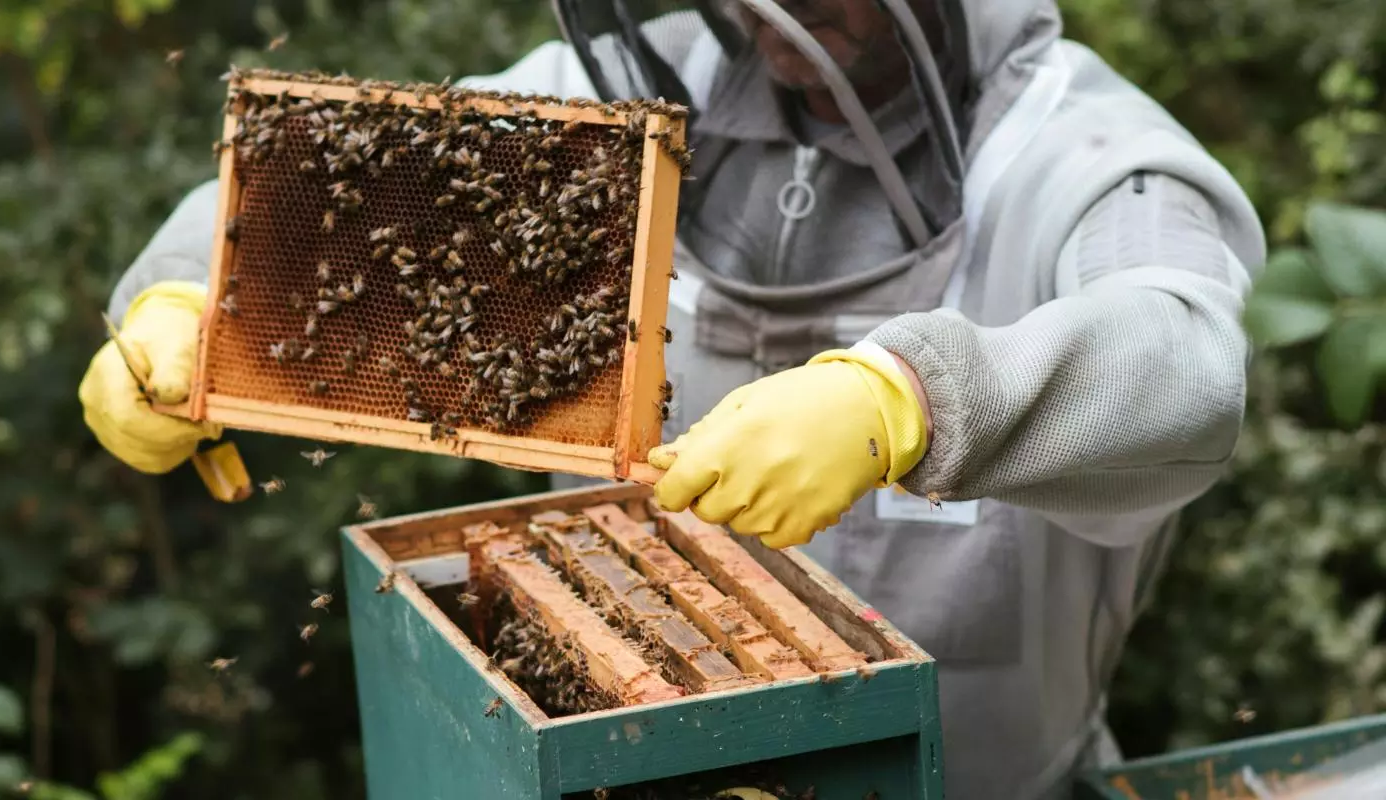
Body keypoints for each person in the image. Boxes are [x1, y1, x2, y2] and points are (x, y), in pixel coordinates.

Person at [78, 0, 1265, 796]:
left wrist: (910, 397)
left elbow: (1186, 364)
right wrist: (184, 301)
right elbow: (329, 181)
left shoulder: (1092, 155)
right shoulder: (625, 88)